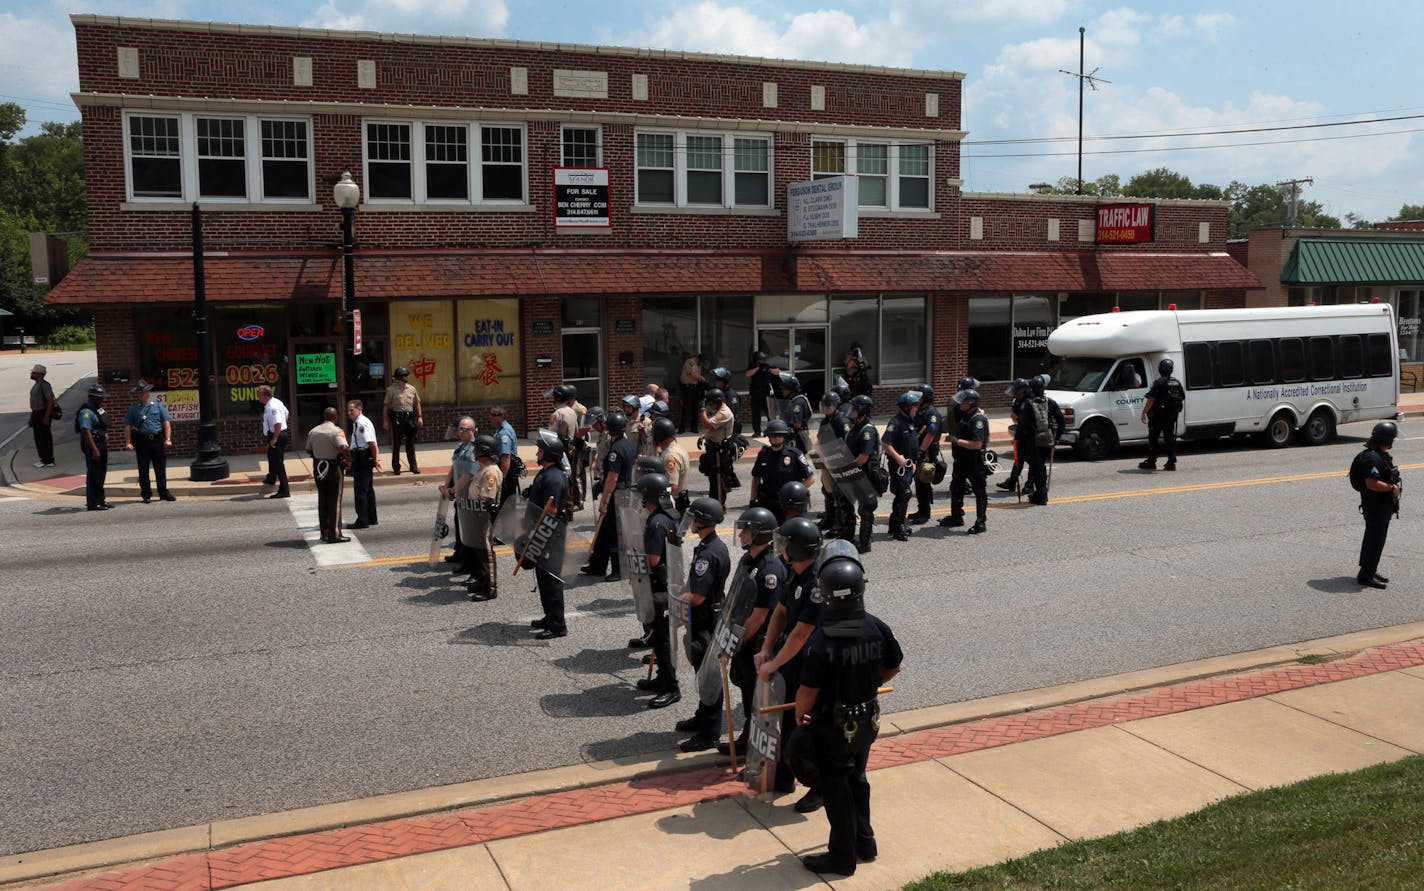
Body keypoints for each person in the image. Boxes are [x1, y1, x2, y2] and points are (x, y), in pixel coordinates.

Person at [790, 540, 903, 877]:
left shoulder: (823, 640)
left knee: (836, 787)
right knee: (858, 779)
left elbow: (807, 692)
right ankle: (865, 842)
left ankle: (842, 856)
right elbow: (894, 666)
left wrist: (801, 716)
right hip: (866, 721)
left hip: (832, 727)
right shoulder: (875, 626)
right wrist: (867, 682)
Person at [756, 517, 825, 813]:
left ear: (796, 549)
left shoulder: (815, 584)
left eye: (785, 543)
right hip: (791, 663)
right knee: (785, 722)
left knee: (808, 726)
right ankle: (784, 774)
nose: (780, 547)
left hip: (811, 666)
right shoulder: (793, 573)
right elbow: (781, 612)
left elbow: (801, 634)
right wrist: (766, 648)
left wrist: (772, 666)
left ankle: (819, 785)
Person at [718, 506, 789, 772]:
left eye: (747, 530)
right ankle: (749, 740)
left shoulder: (770, 569)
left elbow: (760, 616)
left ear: (760, 534)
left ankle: (761, 756)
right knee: (749, 696)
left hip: (758, 643)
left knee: (761, 701)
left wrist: (734, 644)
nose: (742, 534)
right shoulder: (748, 560)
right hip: (744, 639)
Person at [671, 496, 732, 752]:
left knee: (709, 679)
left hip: (706, 623)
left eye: (694, 518)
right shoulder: (711, 546)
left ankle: (709, 733)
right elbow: (694, 586)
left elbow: (697, 597)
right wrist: (681, 588)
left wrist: (674, 602)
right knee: (703, 674)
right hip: (705, 620)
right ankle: (703, 715)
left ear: (703, 521)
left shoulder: (709, 554)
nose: (691, 522)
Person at [635, 472, 682, 704]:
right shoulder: (668, 517)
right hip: (669, 584)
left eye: (644, 494)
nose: (642, 498)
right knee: (661, 637)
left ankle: (671, 687)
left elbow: (653, 559)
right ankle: (662, 677)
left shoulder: (655, 523)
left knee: (661, 639)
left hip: (659, 587)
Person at [580, 411, 636, 582]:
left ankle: (619, 569)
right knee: (604, 530)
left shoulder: (616, 449)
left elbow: (613, 477)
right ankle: (598, 565)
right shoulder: (627, 445)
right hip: (624, 492)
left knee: (614, 533)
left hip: (617, 494)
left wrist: (604, 501)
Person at [526, 430, 570, 639]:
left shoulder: (553, 477)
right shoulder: (547, 473)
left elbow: (550, 512)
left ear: (549, 454)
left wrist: (535, 533)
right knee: (543, 578)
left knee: (551, 580)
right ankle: (549, 616)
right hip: (544, 534)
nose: (537, 452)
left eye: (540, 450)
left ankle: (557, 625)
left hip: (549, 536)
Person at [1353, 421, 1400, 590]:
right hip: (1376, 506)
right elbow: (1371, 483)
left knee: (1374, 538)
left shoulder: (1379, 454)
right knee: (1375, 539)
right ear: (1386, 439)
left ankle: (1370, 569)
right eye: (1392, 438)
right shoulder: (1371, 458)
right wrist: (1392, 488)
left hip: (1380, 505)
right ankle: (1365, 575)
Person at [941, 388, 990, 533]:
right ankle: (956, 516)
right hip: (962, 459)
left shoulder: (977, 420)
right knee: (956, 487)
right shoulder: (967, 415)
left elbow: (977, 444)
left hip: (973, 460)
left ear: (971, 403)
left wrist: (956, 441)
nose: (960, 403)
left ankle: (981, 522)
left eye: (963, 401)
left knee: (979, 491)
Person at [750, 419, 815, 524]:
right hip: (768, 502)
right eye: (773, 436)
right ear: (769, 438)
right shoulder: (763, 455)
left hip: (789, 504)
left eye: (779, 436)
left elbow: (810, 479)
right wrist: (752, 500)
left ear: (784, 437)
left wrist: (794, 492)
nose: (776, 439)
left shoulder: (795, 454)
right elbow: (756, 478)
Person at [123, 379, 175, 503]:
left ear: (148, 392)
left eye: (143, 392)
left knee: (160, 468)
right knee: (143, 469)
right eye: (139, 393)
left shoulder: (158, 406)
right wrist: (128, 442)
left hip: (157, 439)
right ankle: (146, 494)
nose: (141, 395)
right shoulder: (133, 409)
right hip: (142, 441)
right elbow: (127, 426)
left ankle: (163, 492)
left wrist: (168, 439)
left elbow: (166, 423)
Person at [465, 434, 504, 601]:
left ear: (484, 451)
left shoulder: (491, 472)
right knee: (478, 551)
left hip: (484, 517)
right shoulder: (482, 467)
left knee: (486, 552)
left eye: (477, 448)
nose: (474, 451)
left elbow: (486, 498)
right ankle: (482, 580)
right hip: (475, 516)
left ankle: (490, 587)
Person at [306, 406, 352, 543]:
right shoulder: (336, 431)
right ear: (335, 417)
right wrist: (348, 460)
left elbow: (308, 450)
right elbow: (344, 447)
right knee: (334, 500)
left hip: (318, 466)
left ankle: (324, 533)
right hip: (333, 467)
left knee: (322, 499)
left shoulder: (313, 431)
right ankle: (334, 534)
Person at [843, 395, 882, 553]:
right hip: (855, 475)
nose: (851, 411)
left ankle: (865, 543)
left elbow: (863, 457)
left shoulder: (868, 431)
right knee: (847, 505)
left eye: (854, 408)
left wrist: (846, 468)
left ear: (862, 411)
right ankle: (849, 536)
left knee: (865, 510)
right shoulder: (855, 428)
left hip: (866, 475)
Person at [881, 391, 921, 541]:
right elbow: (885, 443)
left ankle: (895, 524)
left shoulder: (910, 421)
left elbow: (911, 444)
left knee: (902, 496)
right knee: (904, 494)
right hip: (899, 467)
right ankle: (898, 528)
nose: (917, 408)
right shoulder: (895, 423)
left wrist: (914, 463)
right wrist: (898, 457)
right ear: (906, 407)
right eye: (914, 406)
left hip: (909, 466)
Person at [1017, 375, 1064, 505]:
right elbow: (1061, 421)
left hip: (1033, 440)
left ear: (1031, 389)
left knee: (1036, 467)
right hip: (1047, 439)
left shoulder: (1028, 403)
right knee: (1040, 465)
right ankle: (1041, 493)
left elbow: (1021, 425)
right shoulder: (1050, 402)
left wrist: (1018, 440)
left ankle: (1041, 495)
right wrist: (1057, 438)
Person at [441, 417, 480, 571]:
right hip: (461, 495)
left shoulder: (474, 449)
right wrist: (446, 486)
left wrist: (453, 489)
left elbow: (469, 474)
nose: (460, 432)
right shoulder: (460, 447)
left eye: (464, 429)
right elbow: (454, 467)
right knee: (459, 524)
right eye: (459, 429)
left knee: (468, 529)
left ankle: (469, 563)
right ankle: (460, 553)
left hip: (469, 495)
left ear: (472, 431)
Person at [1139, 357, 1185, 471]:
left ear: (1161, 369)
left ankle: (1151, 461)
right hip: (1171, 416)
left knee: (1153, 438)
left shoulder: (1159, 382)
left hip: (1158, 415)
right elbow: (1182, 397)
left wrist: (1144, 412)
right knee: (1169, 438)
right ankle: (1171, 462)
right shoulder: (1176, 382)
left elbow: (1151, 399)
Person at [907, 383, 943, 524]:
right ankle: (921, 509)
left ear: (925, 398)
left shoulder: (931, 413)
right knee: (919, 481)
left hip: (926, 452)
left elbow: (930, 434)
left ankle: (925, 512)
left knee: (924, 480)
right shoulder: (919, 411)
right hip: (918, 450)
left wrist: (921, 451)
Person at [816, 391, 850, 532]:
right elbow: (819, 440)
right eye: (824, 405)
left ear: (836, 406)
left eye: (829, 405)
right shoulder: (825, 421)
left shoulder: (841, 421)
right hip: (826, 461)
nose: (826, 408)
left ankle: (839, 523)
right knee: (827, 491)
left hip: (838, 463)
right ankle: (829, 519)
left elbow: (845, 445)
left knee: (838, 494)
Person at [76, 383, 111, 511]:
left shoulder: (98, 409)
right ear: (92, 397)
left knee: (101, 472)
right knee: (93, 474)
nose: (102, 399)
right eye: (99, 397)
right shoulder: (86, 412)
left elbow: (102, 425)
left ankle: (101, 500)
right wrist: (94, 449)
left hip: (101, 443)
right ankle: (92, 503)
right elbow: (86, 431)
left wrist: (104, 435)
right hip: (92, 445)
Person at [346, 399, 380, 528]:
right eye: (348, 410)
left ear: (360, 410)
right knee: (367, 490)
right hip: (362, 457)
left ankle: (362, 520)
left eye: (352, 410)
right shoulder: (358, 422)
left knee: (361, 490)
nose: (349, 413)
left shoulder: (362, 424)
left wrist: (376, 459)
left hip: (363, 458)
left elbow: (371, 443)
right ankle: (371, 517)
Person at [383, 367, 423, 475]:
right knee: (396, 444)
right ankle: (396, 467)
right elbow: (386, 406)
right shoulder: (391, 390)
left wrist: (419, 416)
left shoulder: (412, 389)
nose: (407, 377)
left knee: (410, 443)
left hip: (410, 418)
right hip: (398, 418)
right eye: (405, 376)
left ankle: (413, 466)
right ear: (399, 377)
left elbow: (417, 403)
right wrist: (385, 421)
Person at [700, 388, 736, 505]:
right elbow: (713, 428)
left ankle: (719, 503)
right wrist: (704, 437)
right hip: (713, 448)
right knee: (712, 476)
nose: (710, 406)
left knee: (718, 477)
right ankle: (713, 500)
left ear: (718, 401)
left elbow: (707, 424)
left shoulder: (724, 412)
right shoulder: (718, 411)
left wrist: (702, 411)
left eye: (711, 403)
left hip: (719, 450)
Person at [549, 384, 583, 506]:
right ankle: (569, 507)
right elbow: (577, 432)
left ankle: (562, 505)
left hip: (559, 450)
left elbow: (551, 435)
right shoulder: (572, 412)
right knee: (569, 478)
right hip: (571, 448)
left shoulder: (557, 414)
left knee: (559, 478)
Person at [996, 379, 1031, 493]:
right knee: (1018, 459)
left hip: (1032, 436)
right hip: (1021, 433)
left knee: (1033, 462)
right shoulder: (1017, 401)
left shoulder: (1031, 401)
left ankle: (1029, 485)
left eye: (1018, 392)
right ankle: (1012, 482)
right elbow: (1014, 415)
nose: (1016, 394)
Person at [652, 416, 690, 514]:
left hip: (672, 504)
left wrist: (656, 493)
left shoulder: (670, 456)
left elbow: (672, 486)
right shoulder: (678, 448)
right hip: (679, 499)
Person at [258, 385, 290, 499]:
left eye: (259, 395)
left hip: (277, 435)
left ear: (266, 396)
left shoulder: (272, 406)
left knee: (278, 463)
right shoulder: (277, 402)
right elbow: (286, 413)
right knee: (271, 456)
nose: (258, 397)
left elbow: (278, 423)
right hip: (279, 433)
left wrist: (275, 438)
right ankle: (271, 478)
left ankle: (284, 490)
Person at [27, 364, 56, 468]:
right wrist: (32, 418)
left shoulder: (44, 385)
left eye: (33, 372)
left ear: (38, 374)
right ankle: (44, 459)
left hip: (42, 413)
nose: (31, 374)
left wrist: (46, 417)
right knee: (39, 437)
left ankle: (48, 460)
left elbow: (50, 400)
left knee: (44, 437)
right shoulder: (37, 384)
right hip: (36, 413)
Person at [745, 350, 777, 436]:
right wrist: (758, 368)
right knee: (756, 414)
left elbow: (777, 371)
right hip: (755, 393)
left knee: (769, 413)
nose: (763, 361)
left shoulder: (766, 366)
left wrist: (768, 370)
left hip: (765, 393)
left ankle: (771, 430)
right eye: (761, 360)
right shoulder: (752, 365)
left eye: (763, 359)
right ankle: (757, 431)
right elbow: (748, 374)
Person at [709, 367, 743, 435]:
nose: (716, 381)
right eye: (716, 379)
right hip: (720, 428)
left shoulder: (731, 395)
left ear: (725, 381)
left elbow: (730, 412)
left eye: (718, 380)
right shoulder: (720, 393)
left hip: (729, 432)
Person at [679, 353, 707, 433]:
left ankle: (694, 427)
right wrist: (701, 378)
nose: (701, 364)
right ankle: (682, 427)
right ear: (698, 359)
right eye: (701, 362)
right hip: (687, 388)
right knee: (685, 408)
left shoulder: (698, 364)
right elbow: (691, 373)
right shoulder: (690, 362)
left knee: (695, 408)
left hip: (695, 387)